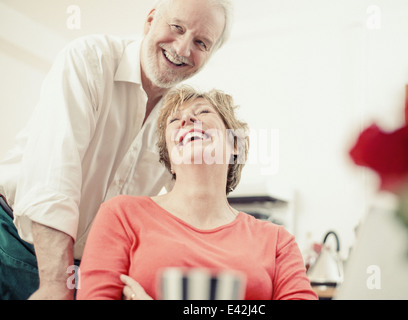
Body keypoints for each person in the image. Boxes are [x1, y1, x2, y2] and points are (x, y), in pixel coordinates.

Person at [0, 0, 233, 300]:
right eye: (177, 27)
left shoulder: (180, 118)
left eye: (201, 42)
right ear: (150, 20)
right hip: (13, 239)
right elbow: (54, 176)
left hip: (88, 268)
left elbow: (182, 209)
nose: (183, 48)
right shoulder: (89, 59)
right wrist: (56, 285)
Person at [76, 85, 318, 300]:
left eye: (203, 112)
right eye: (174, 120)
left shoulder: (277, 241)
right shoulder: (121, 215)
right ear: (169, 158)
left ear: (235, 145)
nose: (187, 119)